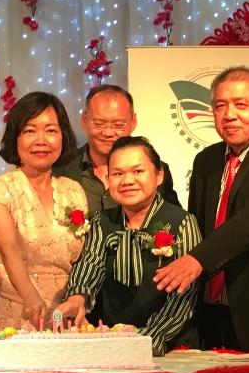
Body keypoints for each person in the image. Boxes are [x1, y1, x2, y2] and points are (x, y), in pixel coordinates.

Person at [153, 66, 249, 356]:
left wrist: (197, 259)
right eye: (220, 106)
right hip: (211, 310)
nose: (229, 115)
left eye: (241, 105)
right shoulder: (207, 160)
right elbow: (198, 226)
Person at [59, 136, 202, 353]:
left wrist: (144, 340)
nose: (127, 181)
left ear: (159, 175)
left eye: (138, 171)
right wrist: (77, 298)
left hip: (170, 347)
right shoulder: (101, 220)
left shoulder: (183, 222)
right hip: (111, 345)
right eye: (117, 173)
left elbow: (184, 297)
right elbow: (91, 263)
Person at [0, 91, 88, 329]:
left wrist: (79, 298)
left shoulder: (73, 191)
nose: (41, 140)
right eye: (29, 130)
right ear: (15, 138)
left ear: (63, 136)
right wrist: (30, 297)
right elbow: (9, 249)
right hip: (12, 313)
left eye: (51, 130)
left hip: (63, 318)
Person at [56, 83, 179, 214]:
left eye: (118, 125)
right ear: (84, 120)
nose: (108, 133)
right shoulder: (61, 169)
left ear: (133, 122)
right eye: (99, 124)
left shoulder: (155, 171)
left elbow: (173, 221)